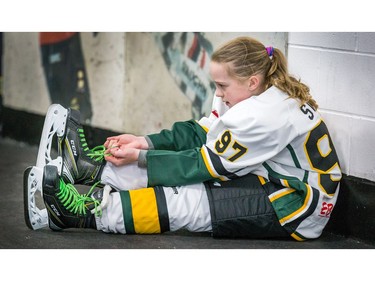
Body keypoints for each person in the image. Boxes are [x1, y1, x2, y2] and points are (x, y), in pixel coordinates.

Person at [40, 36, 342, 241]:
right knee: (187, 182)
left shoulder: (262, 114)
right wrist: (144, 142)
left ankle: (77, 214)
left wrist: (141, 157)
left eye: (222, 87)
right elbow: (202, 132)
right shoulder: (246, 91)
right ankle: (86, 168)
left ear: (251, 81)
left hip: (297, 206)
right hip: (269, 176)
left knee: (190, 201)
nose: (219, 94)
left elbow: (201, 164)